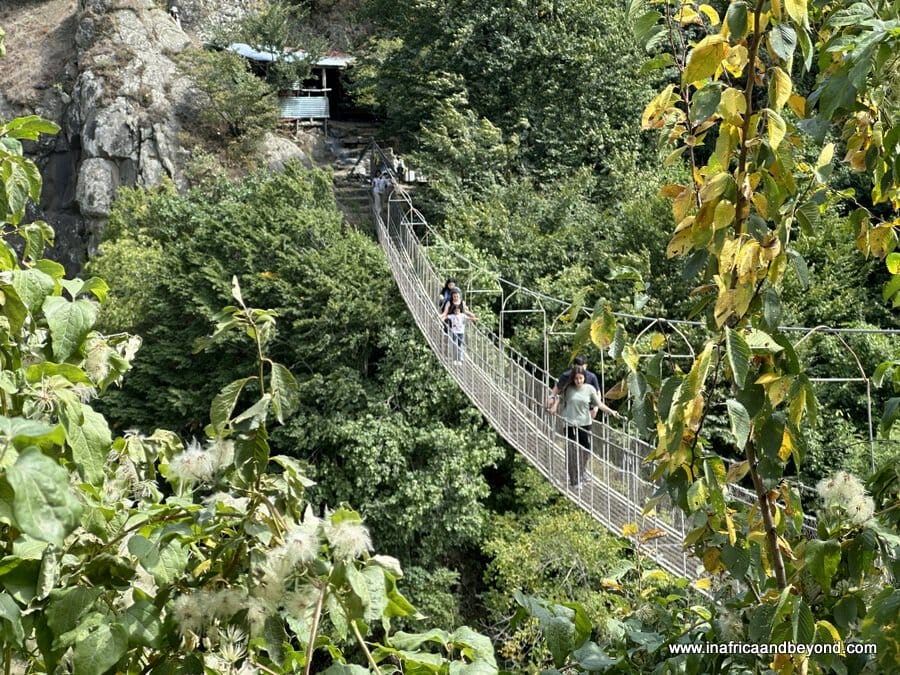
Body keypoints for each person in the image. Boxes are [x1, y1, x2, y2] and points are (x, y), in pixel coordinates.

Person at [559, 366, 613, 489]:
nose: (579, 381)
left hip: (585, 423)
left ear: (584, 378)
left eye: (581, 378)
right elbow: (559, 399)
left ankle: (581, 472)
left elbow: (599, 404)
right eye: (576, 378)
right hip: (570, 423)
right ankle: (575, 480)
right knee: (572, 450)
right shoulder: (568, 389)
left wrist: (611, 412)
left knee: (586, 450)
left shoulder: (589, 389)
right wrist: (552, 404)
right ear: (573, 379)